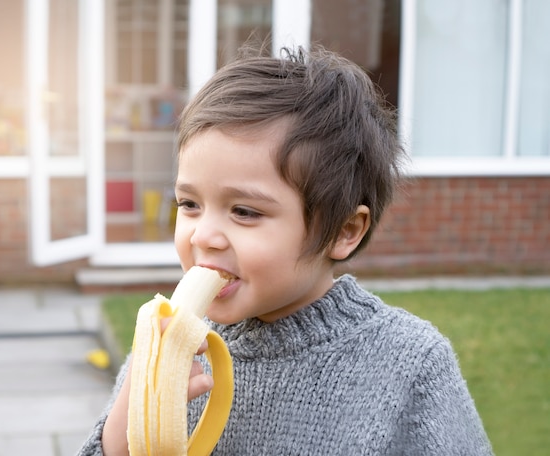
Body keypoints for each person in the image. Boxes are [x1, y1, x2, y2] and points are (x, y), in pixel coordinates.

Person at [78, 45, 493, 455]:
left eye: (243, 211)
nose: (203, 235)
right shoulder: (166, 345)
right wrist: (124, 431)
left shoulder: (410, 363)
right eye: (189, 204)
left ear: (344, 231)